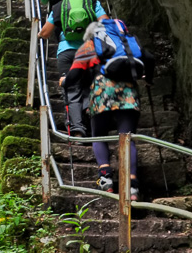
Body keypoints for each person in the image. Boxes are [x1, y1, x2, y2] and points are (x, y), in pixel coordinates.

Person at [62, 21, 155, 200]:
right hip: (128, 93)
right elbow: (149, 58)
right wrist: (149, 80)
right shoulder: (128, 43)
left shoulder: (90, 45)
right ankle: (132, 185)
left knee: (99, 135)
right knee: (127, 137)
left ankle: (106, 178)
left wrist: (65, 81)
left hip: (102, 92)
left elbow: (74, 74)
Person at [38, 0, 108, 137]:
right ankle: (91, 117)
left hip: (66, 52)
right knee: (90, 85)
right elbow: (106, 24)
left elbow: (45, 32)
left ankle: (77, 130)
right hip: (89, 51)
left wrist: (39, 34)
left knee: (71, 88)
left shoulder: (60, 6)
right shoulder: (93, 3)